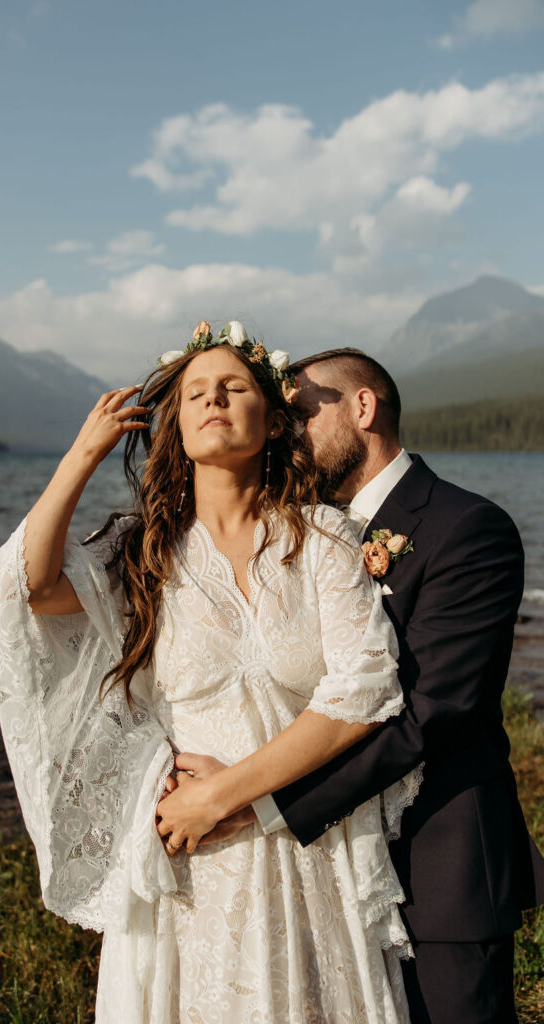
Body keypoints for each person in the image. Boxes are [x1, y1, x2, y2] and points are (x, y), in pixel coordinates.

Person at [0, 323, 421, 1023]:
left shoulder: (320, 538)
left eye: (233, 387)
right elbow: (30, 590)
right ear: (177, 425)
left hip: (301, 841)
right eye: (194, 393)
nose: (212, 399)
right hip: (190, 861)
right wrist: (82, 455)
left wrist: (224, 797)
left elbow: (362, 692)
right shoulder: (143, 554)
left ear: (274, 420)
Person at [167, 347, 544, 1024]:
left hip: (433, 866)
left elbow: (429, 713)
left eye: (300, 414)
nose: (284, 431)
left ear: (362, 408)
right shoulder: (300, 534)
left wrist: (252, 800)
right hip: (323, 875)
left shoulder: (466, 528)